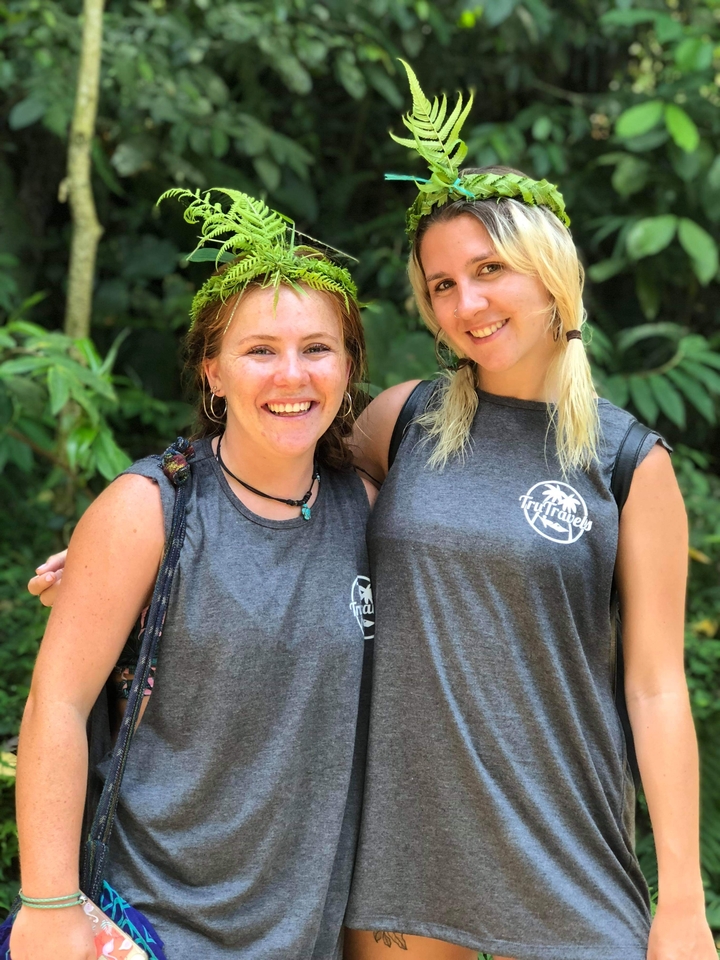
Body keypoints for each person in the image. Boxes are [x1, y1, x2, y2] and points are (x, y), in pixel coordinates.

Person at [340, 66, 716, 960]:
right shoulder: (401, 422)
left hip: (565, 855)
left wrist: (684, 903)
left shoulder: (630, 464)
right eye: (441, 285)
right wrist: (141, 543)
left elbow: (659, 685)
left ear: (550, 275)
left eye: (490, 270)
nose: (467, 304)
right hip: (402, 856)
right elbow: (266, 496)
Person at [11, 187, 376, 960]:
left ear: (348, 365)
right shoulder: (149, 508)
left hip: (308, 939)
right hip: (150, 929)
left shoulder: (371, 509)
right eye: (259, 350)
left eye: (317, 348)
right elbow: (58, 705)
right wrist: (47, 905)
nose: (291, 375)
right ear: (213, 372)